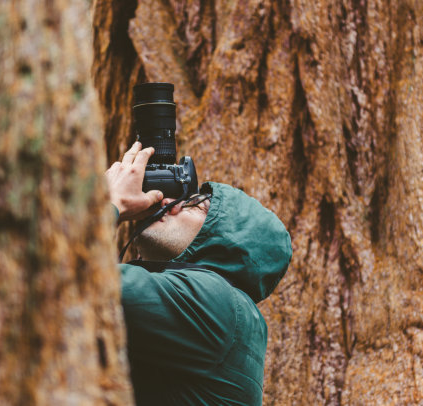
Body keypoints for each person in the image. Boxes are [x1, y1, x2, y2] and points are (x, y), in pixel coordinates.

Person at [105, 142, 292, 405]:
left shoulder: (212, 301)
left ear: (228, 242)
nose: (169, 203)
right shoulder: (223, 308)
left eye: (195, 205)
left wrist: (109, 203)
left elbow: (75, 278)